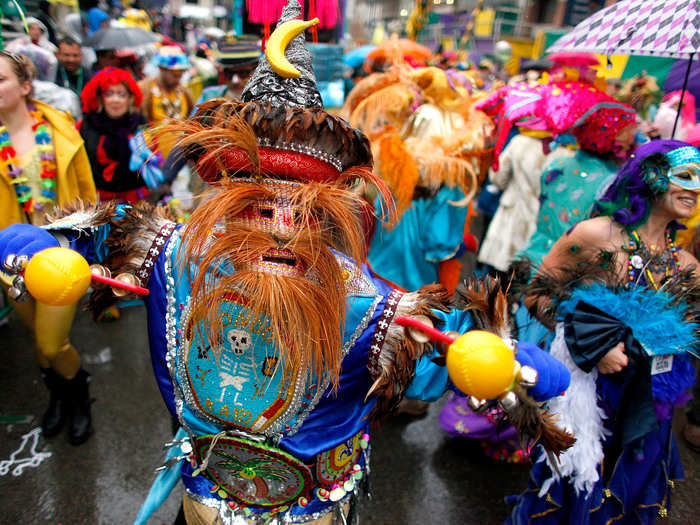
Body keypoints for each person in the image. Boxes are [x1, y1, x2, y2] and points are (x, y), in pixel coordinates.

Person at [0, 3, 569, 522]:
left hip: (310, 510)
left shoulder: (362, 302)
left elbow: (439, 353)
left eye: (300, 205)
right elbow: (82, 237)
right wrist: (30, 247)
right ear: (225, 197)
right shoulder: (174, 252)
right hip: (202, 496)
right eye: (255, 202)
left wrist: (508, 364)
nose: (279, 223)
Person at [508, 140, 700, 524]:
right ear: (652, 177)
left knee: (629, 487)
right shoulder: (598, 236)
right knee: (577, 483)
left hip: (649, 402)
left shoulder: (687, 265)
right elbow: (537, 295)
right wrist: (591, 344)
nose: (695, 188)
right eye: (685, 176)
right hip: (589, 395)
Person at [0, 50, 97, 445]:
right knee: (39, 348)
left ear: (25, 86)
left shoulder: (62, 132)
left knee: (50, 342)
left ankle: (80, 398)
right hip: (10, 254)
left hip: (60, 251)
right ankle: (59, 399)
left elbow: (89, 198)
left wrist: (96, 250)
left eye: (0, 79)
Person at [78, 67, 147, 203]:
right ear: (100, 98)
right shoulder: (85, 126)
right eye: (109, 94)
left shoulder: (140, 124)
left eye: (121, 94)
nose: (116, 100)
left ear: (130, 98)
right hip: (96, 201)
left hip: (135, 201)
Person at [138, 45, 194, 160]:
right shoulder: (144, 89)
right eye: (174, 75)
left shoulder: (185, 92)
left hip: (179, 158)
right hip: (153, 156)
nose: (178, 79)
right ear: (161, 69)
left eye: (181, 75)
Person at [194, 35, 261, 106]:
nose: (235, 81)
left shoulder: (265, 101)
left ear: (256, 72)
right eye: (229, 73)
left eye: (243, 73)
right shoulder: (209, 96)